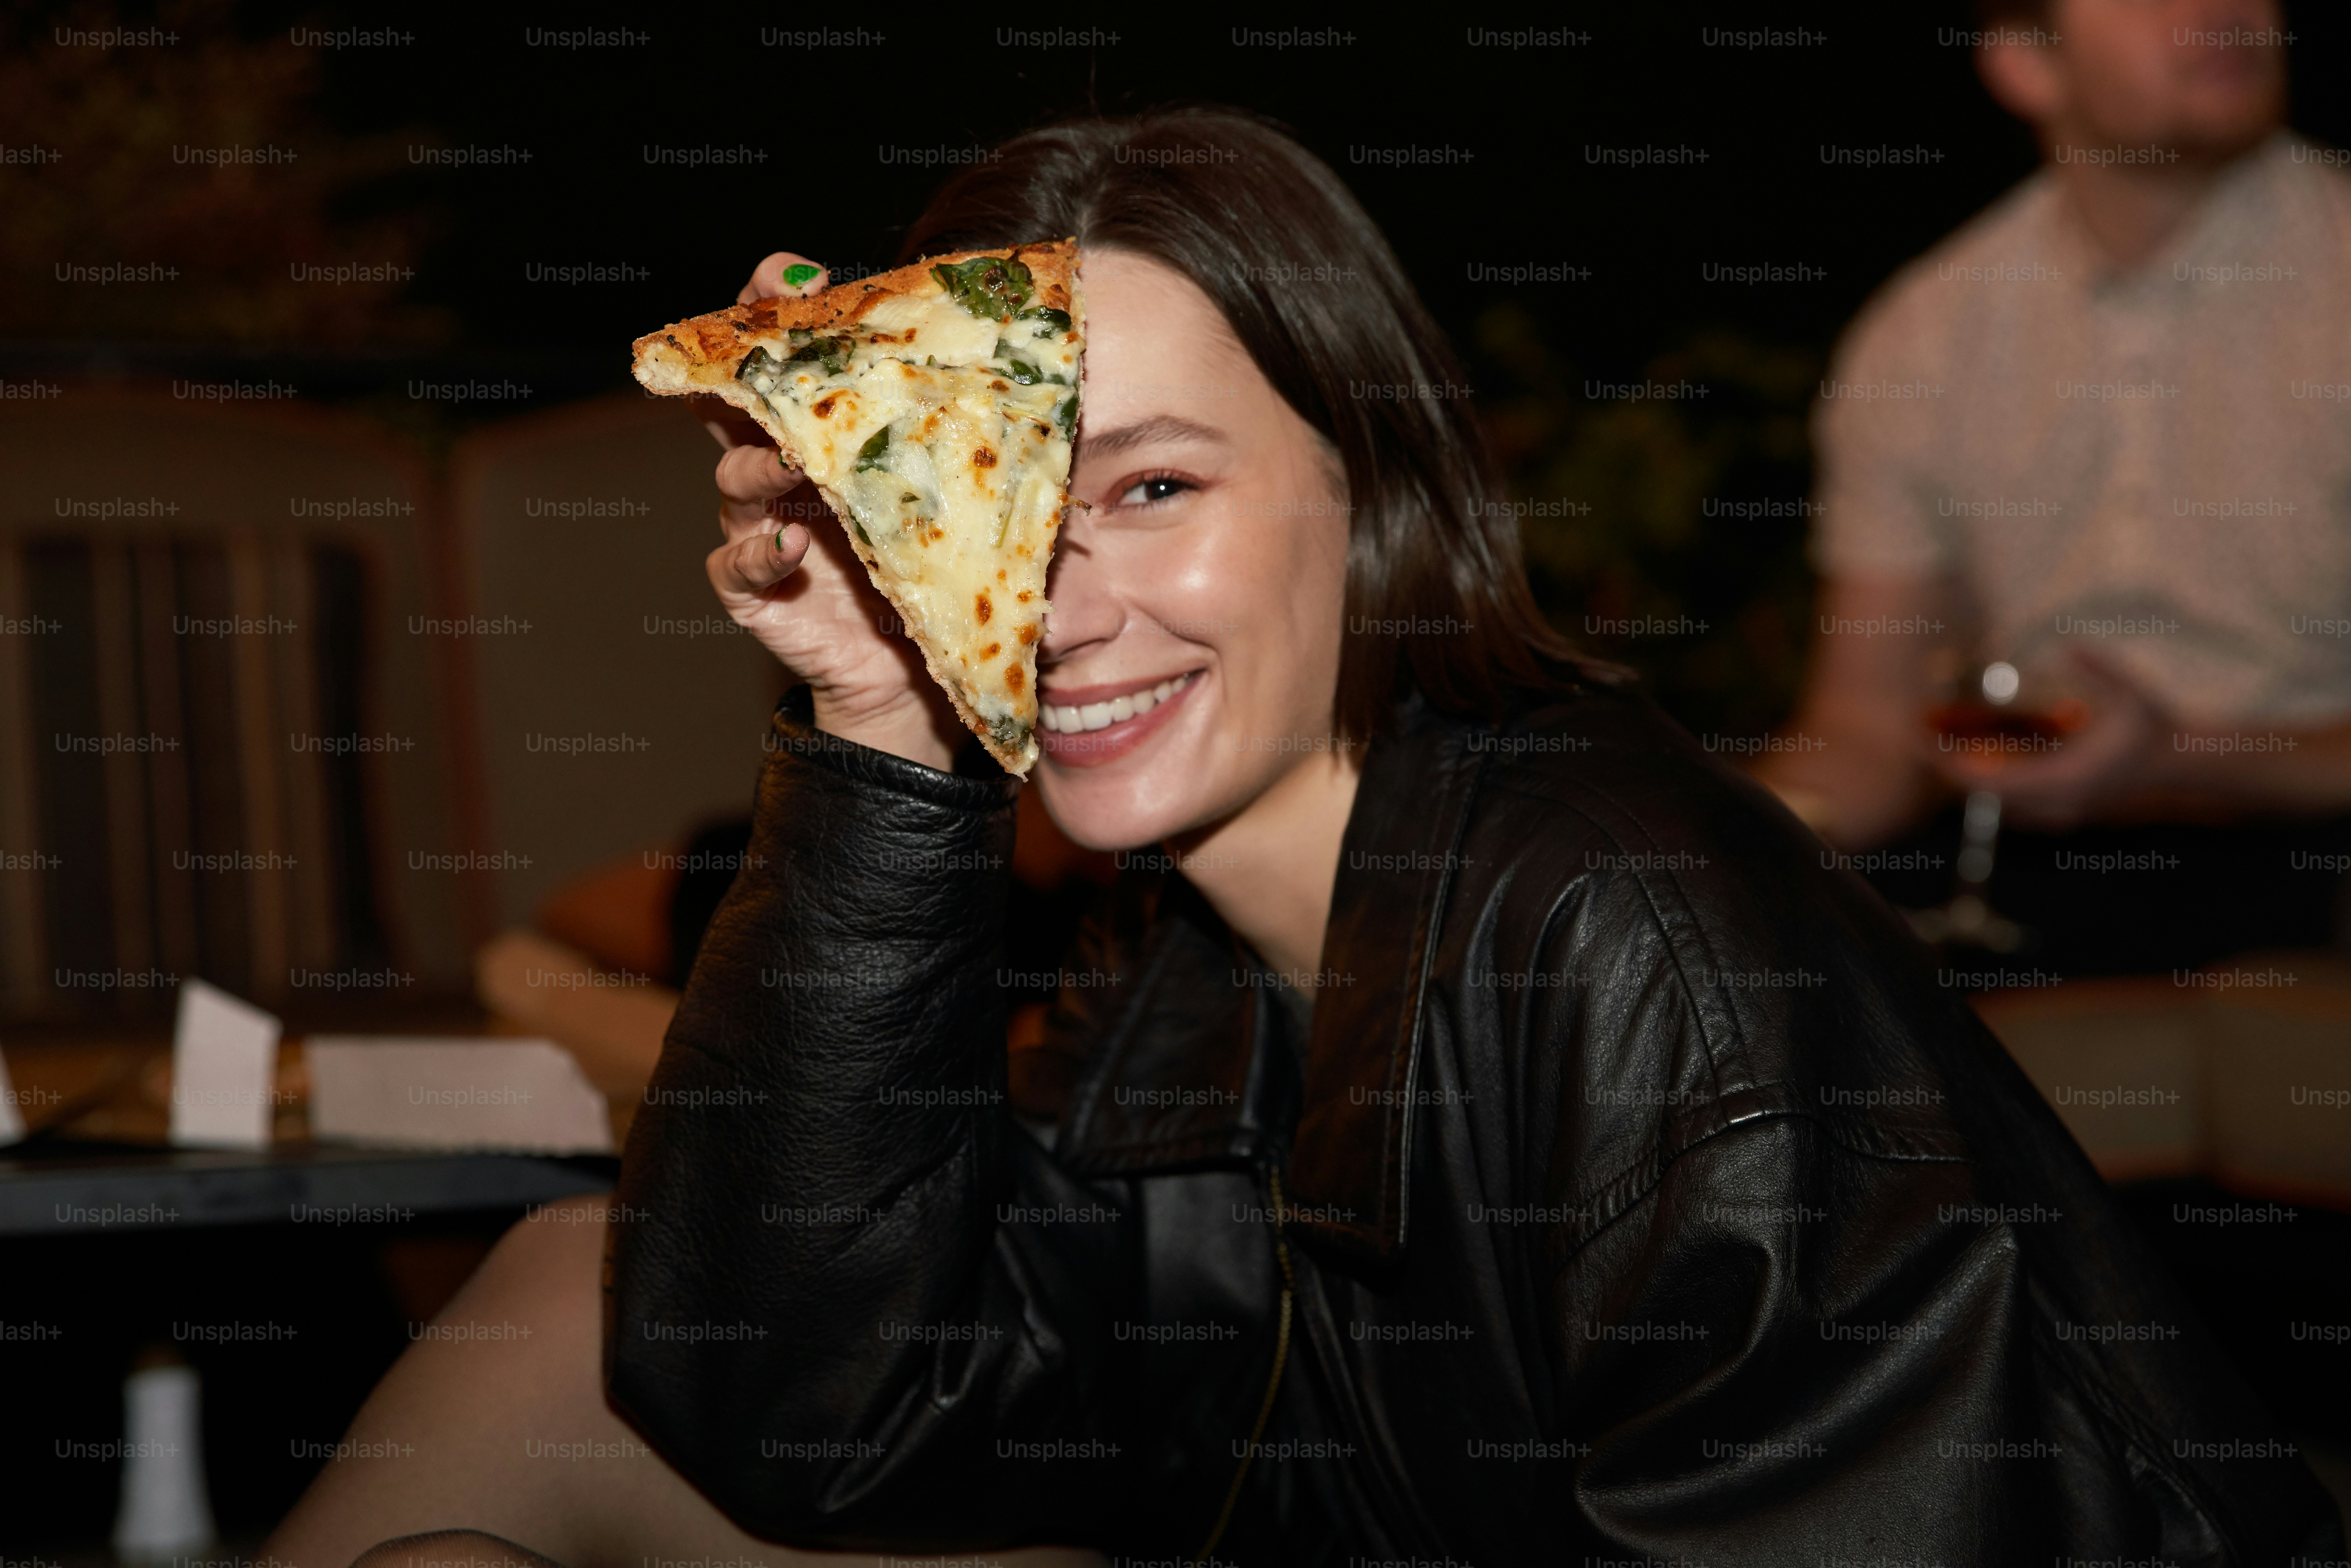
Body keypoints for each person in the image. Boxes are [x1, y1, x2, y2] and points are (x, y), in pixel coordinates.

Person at [271, 107, 2341, 1567]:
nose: (1057, 599)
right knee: (564, 1290)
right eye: (1004, 507)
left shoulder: (1628, 938)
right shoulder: (1184, 956)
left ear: (1369, 496)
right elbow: (802, 1402)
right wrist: (884, 723)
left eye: (1158, 488)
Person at [1756, 0, 2351, 974]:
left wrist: (2174, 756)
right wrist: (1690, 835)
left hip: (2320, 887)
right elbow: (1867, 726)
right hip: (2031, 887)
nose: (2225, 10)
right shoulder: (1924, 331)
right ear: (2028, 63)